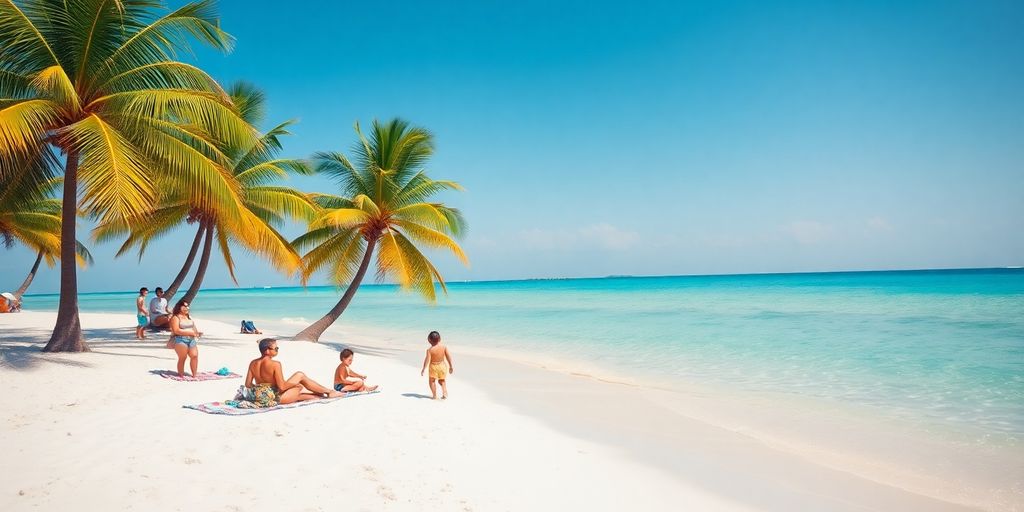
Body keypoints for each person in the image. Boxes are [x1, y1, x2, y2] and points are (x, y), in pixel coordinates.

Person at [245, 338, 342, 407]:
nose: (277, 350)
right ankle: (329, 392)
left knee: (308, 393)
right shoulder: (275, 364)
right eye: (276, 348)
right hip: (277, 398)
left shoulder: (253, 363)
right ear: (267, 351)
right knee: (300, 376)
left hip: (263, 396)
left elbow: (248, 384)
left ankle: (321, 395)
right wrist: (295, 384)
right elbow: (282, 387)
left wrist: (262, 389)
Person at [169, 300, 202, 378]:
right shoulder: (175, 317)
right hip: (180, 340)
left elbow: (194, 329)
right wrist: (190, 333)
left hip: (191, 340)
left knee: (194, 356)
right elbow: (176, 330)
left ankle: (194, 375)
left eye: (187, 306)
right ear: (179, 307)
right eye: (185, 306)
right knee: (183, 357)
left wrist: (197, 333)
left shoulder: (188, 317)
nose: (187, 308)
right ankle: (181, 375)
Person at [420, 331, 454, 400]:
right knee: (442, 380)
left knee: (432, 381)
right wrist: (451, 366)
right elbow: (448, 357)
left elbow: (427, 360)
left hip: (433, 367)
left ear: (429, 340)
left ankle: (434, 396)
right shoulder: (444, 347)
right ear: (440, 339)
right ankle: (444, 391)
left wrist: (424, 368)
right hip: (442, 366)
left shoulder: (429, 350)